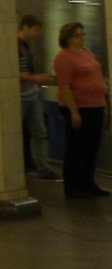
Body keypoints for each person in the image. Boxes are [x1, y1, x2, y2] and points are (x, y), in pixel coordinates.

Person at [53, 20, 108, 198]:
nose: (82, 38)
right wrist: (74, 112)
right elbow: (65, 86)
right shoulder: (64, 57)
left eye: (83, 34)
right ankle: (72, 186)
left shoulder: (86, 53)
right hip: (78, 108)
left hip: (95, 106)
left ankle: (87, 183)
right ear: (68, 38)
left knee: (92, 147)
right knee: (77, 147)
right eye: (78, 35)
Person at [16, 15, 57, 180]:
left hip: (31, 94)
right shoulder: (15, 45)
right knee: (20, 133)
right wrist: (35, 79)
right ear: (25, 27)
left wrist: (37, 80)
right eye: (35, 29)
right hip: (19, 96)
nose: (37, 34)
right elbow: (12, 72)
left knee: (39, 132)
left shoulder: (27, 46)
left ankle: (42, 167)